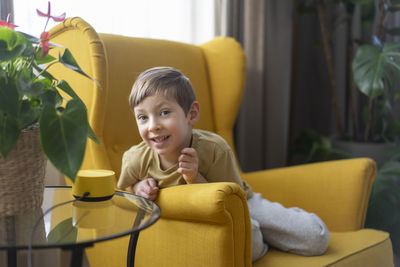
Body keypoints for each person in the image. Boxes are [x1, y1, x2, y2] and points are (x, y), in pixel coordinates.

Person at [117, 66, 330, 262]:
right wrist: (137, 188)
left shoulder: (214, 148)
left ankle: (278, 226)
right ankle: (266, 237)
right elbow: (121, 194)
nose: (153, 126)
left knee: (315, 238)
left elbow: (231, 201)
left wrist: (195, 178)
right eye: (143, 117)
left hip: (241, 203)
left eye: (164, 113)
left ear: (191, 114)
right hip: (204, 220)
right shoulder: (137, 159)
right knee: (251, 245)